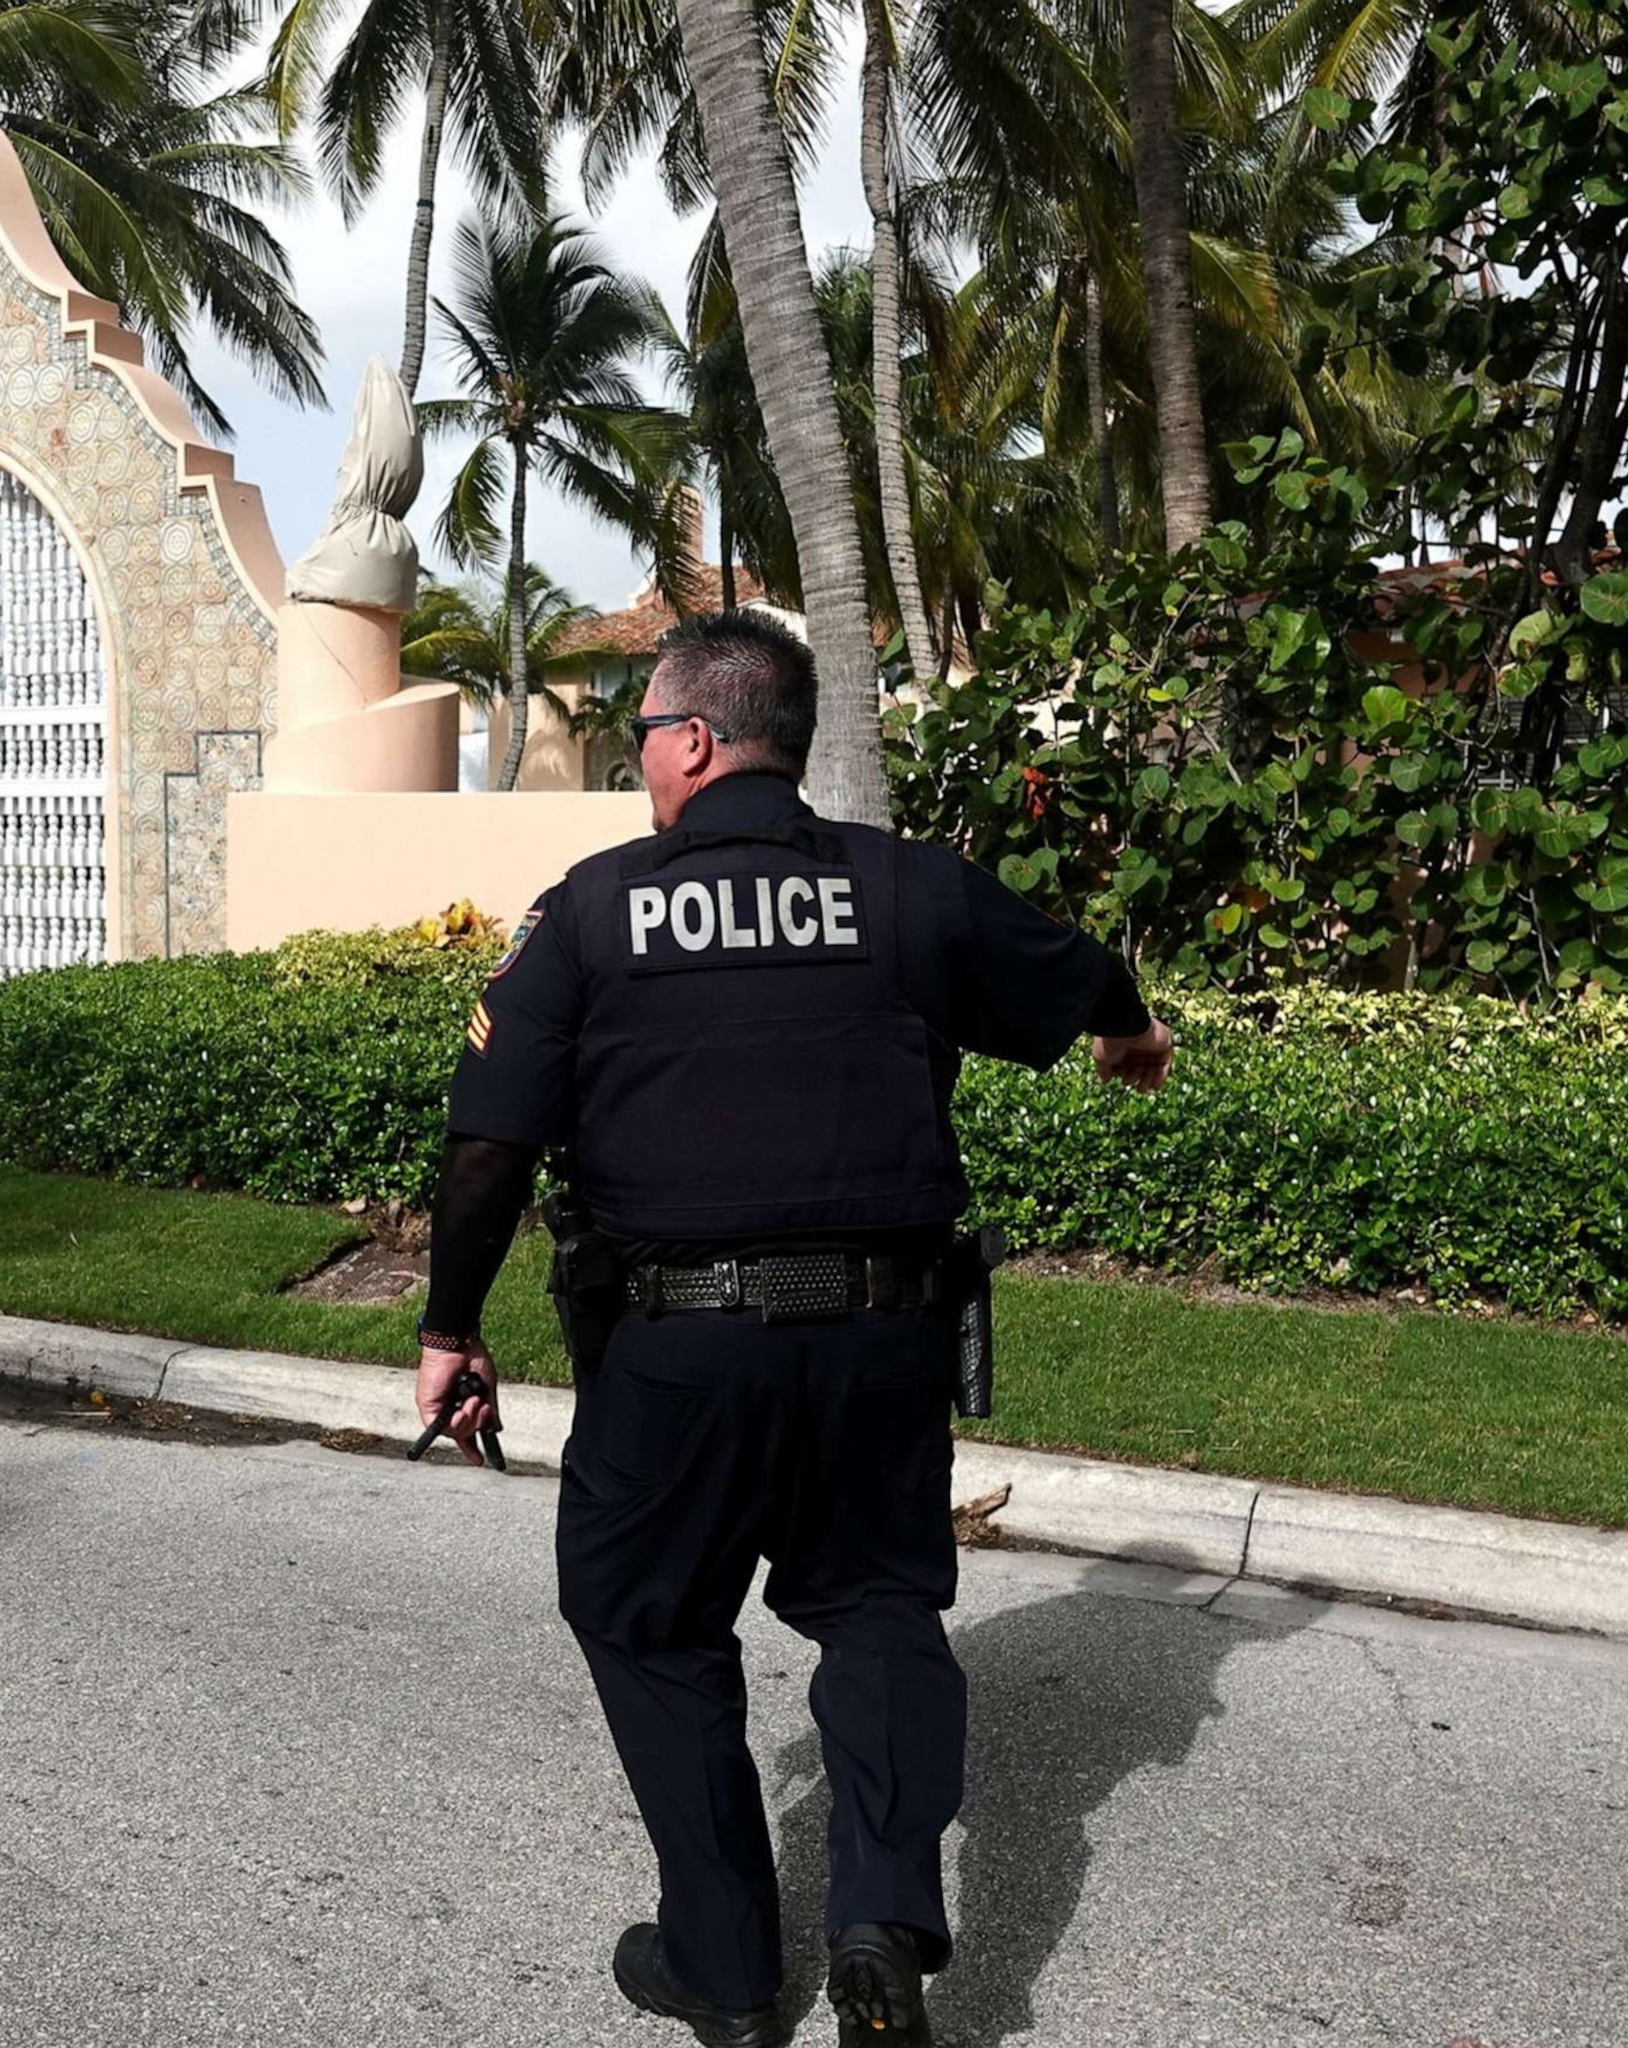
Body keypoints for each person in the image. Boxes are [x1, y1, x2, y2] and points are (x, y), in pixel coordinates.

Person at [414, 611, 1172, 2048]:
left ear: (693, 740)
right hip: (880, 1342)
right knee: (880, 1609)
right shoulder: (903, 890)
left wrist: (453, 1328)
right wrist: (1127, 1029)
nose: (639, 756)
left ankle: (726, 1965)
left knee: (648, 1617)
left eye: (642, 730)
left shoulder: (589, 910)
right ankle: (880, 1918)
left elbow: (484, 1153)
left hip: (677, 1354)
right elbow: (1074, 969)